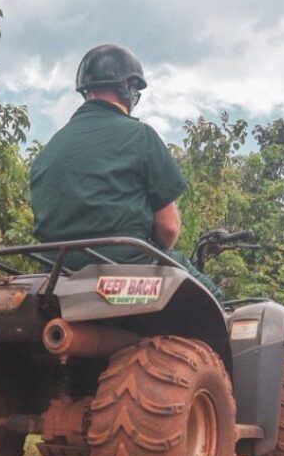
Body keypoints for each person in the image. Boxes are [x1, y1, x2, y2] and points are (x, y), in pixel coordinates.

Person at [29, 44, 223, 299]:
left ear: (86, 90)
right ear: (128, 88)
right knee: (214, 299)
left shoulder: (48, 151)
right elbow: (169, 228)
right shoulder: (140, 136)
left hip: (58, 275)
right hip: (127, 267)